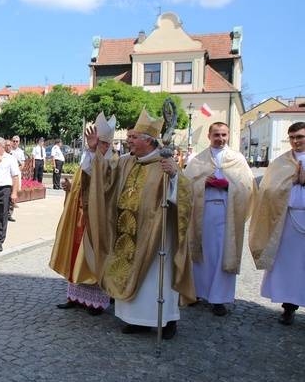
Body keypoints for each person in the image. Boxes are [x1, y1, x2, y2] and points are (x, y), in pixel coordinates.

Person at [81, 107, 195, 339]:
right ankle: (135, 319)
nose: (129, 141)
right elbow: (103, 178)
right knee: (128, 272)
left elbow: (186, 195)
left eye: (133, 138)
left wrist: (173, 176)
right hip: (125, 233)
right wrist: (93, 151)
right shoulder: (125, 163)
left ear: (148, 141)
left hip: (155, 236)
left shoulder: (165, 164)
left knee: (156, 279)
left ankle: (166, 319)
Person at [185, 122, 257, 316]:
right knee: (202, 253)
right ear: (209, 136)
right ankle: (197, 292)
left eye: (224, 135)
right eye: (216, 134)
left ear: (228, 137)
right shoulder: (198, 160)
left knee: (222, 255)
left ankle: (218, 298)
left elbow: (248, 187)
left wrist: (228, 187)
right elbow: (186, 185)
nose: (220, 138)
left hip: (228, 214)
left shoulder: (237, 159)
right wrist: (202, 183)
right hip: (203, 213)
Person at [51, 113, 116, 316]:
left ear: (108, 144)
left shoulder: (113, 162)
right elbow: (84, 181)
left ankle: (96, 302)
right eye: (97, 143)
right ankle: (75, 297)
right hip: (79, 214)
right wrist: (70, 188)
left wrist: (92, 151)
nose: (99, 146)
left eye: (102, 143)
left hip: (97, 219)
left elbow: (104, 185)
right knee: (75, 254)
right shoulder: (88, 157)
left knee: (92, 257)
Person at [249, 121, 305, 325]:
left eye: (300, 137)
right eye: (292, 137)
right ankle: (289, 307)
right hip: (288, 220)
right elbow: (268, 190)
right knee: (290, 266)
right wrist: (290, 184)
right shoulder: (281, 163)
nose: (296, 141)